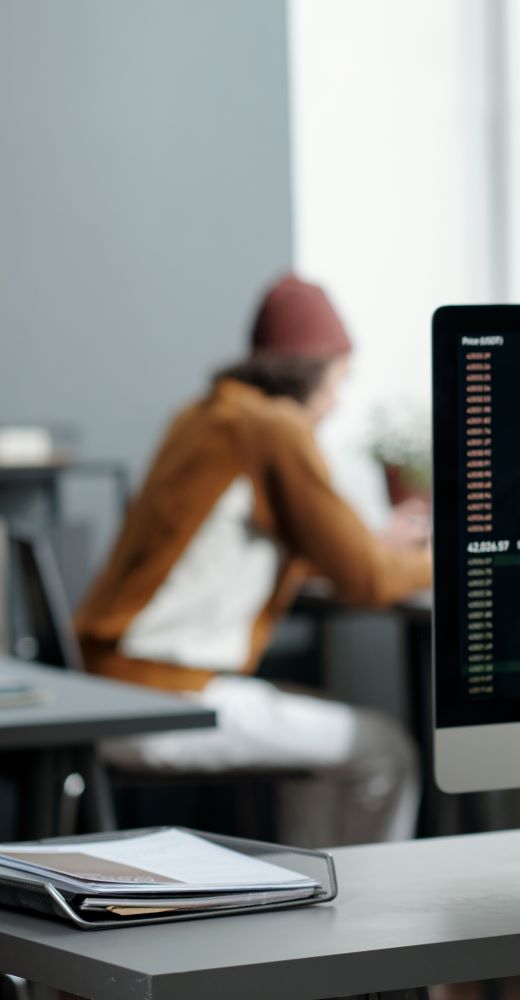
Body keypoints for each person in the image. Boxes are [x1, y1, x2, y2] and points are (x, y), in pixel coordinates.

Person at [74, 274, 433, 848]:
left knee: (328, 741)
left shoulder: (205, 415)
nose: (338, 403)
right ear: (313, 371)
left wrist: (375, 546)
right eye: (340, 381)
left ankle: (316, 902)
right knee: (383, 750)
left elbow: (256, 546)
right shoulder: (275, 429)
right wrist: (446, 556)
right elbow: (367, 580)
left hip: (102, 689)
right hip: (165, 700)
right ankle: (368, 919)